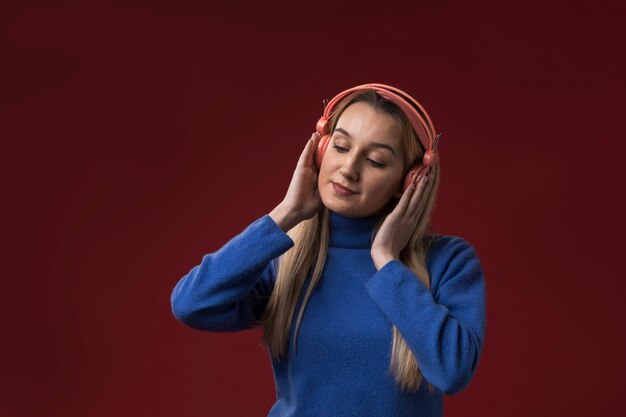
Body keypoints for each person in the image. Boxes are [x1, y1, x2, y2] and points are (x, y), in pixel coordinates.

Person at [170, 83, 487, 417]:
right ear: (320, 149)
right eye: (340, 146)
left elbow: (452, 372)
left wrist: (386, 260)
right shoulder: (283, 256)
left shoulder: (449, 261)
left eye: (376, 161)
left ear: (409, 182)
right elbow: (192, 304)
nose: (349, 169)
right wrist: (285, 214)